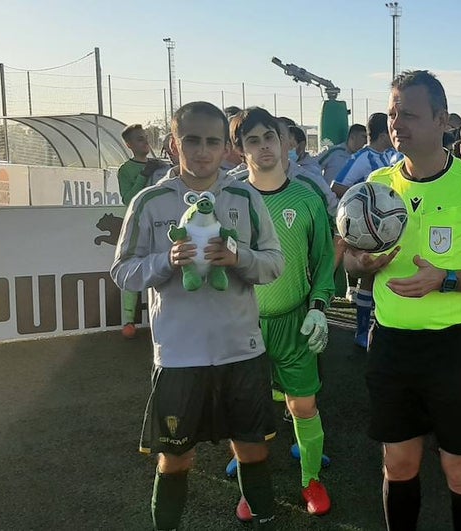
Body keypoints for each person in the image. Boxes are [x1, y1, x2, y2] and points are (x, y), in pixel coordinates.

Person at [346, 70, 461, 531]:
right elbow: (348, 262)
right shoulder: (377, 186)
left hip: (453, 349)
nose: (396, 122)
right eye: (392, 112)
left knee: (459, 470)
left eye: (409, 114)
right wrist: (362, 265)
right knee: (398, 466)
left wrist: (445, 279)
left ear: (442, 119)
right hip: (391, 345)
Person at [111, 101, 286, 529]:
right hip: (178, 356)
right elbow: (122, 272)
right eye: (192, 140)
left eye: (212, 141)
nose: (203, 150)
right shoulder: (149, 201)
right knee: (176, 457)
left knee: (252, 447)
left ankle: (261, 516)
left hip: (240, 350)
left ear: (226, 147)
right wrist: (165, 261)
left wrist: (238, 256)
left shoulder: (245, 196)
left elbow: (274, 264)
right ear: (174, 144)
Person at [228, 107, 336, 518]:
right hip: (243, 325)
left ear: (286, 140)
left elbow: (324, 261)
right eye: (252, 140)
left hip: (294, 322)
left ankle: (311, 480)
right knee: (246, 411)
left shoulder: (307, 198)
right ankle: (251, 484)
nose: (263, 147)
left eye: (269, 137)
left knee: (302, 406)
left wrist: (320, 308)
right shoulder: (231, 201)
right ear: (240, 150)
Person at [332, 112, 405, 349]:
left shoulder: (389, 157)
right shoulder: (363, 157)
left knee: (386, 271)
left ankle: (380, 324)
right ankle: (362, 331)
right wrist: (361, 204)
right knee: (369, 276)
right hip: (367, 226)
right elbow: (337, 185)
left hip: (388, 224)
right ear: (385, 134)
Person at [116, 124, 164, 339]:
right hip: (138, 224)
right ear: (129, 145)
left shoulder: (162, 166)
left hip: (160, 222)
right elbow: (128, 199)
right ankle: (128, 321)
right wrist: (144, 174)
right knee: (134, 266)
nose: (145, 142)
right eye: (139, 139)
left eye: (145, 138)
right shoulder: (125, 170)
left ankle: (162, 317)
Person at [332, 113, 403, 198]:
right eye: (392, 131)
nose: (395, 135)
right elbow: (336, 187)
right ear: (383, 136)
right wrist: (367, 199)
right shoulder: (362, 158)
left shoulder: (391, 154)